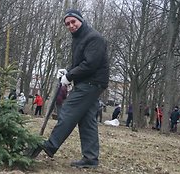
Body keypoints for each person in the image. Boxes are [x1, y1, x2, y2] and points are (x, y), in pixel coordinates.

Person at [29, 9, 109, 169]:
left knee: (68, 111)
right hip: (87, 83)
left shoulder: (94, 38)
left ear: (80, 20)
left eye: (73, 22)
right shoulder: (78, 39)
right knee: (87, 121)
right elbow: (80, 63)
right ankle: (91, 158)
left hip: (92, 82)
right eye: (67, 24)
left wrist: (70, 76)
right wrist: (67, 71)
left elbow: (90, 64)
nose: (71, 26)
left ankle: (50, 145)